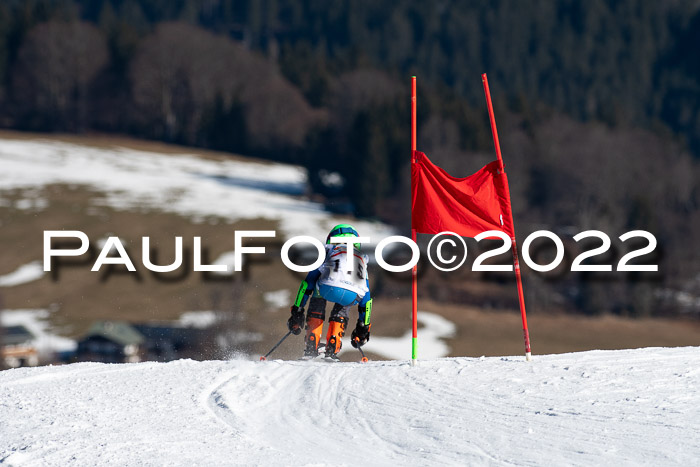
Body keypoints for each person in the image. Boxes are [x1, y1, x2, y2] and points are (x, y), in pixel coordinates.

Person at [287, 224, 372, 360]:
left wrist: (297, 310)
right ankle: (333, 345)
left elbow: (307, 283)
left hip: (328, 288)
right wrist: (363, 327)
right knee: (347, 299)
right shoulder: (362, 259)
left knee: (317, 287)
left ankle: (312, 343)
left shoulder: (328, 250)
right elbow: (367, 300)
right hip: (353, 295)